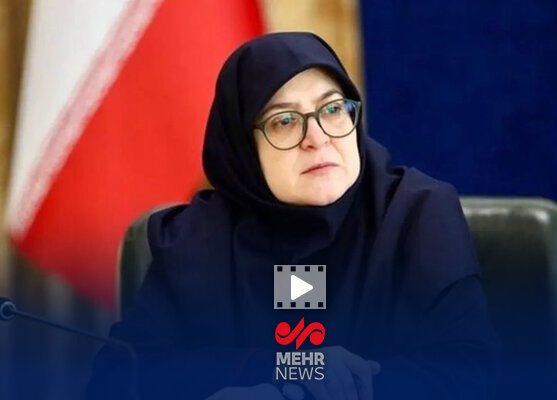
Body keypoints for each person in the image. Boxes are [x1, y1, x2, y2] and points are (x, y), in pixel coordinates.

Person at [87, 32, 497, 399]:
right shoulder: (197, 239)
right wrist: (282, 367)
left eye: (332, 109)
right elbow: (118, 378)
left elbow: (468, 377)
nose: (317, 138)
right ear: (243, 147)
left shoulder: (416, 215)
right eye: (284, 121)